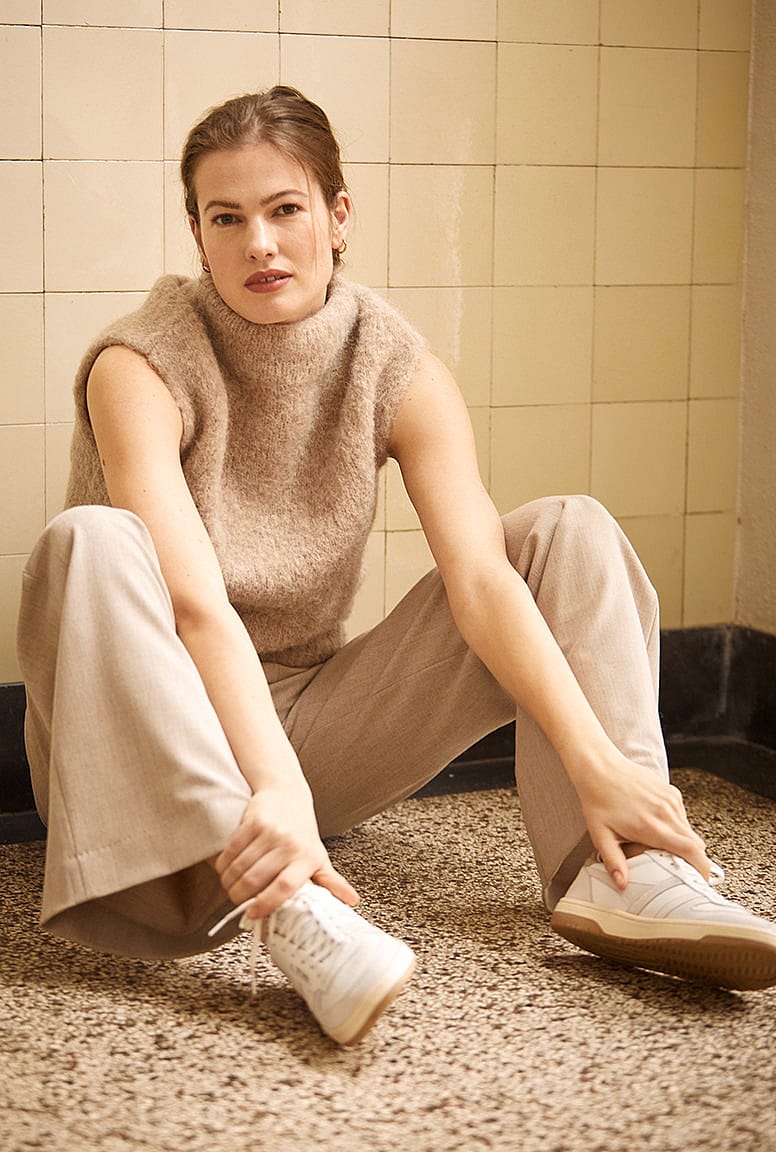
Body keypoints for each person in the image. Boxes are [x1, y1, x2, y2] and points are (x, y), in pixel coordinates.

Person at [17, 86, 776, 1047]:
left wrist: (598, 767)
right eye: (227, 218)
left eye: (285, 209)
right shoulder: (139, 364)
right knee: (89, 540)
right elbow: (194, 604)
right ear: (197, 235)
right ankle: (290, 909)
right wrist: (276, 794)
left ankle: (622, 864)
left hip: (306, 729)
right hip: (142, 748)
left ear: (338, 217)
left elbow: (484, 582)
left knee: (565, 530)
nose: (260, 243)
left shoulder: (392, 364)